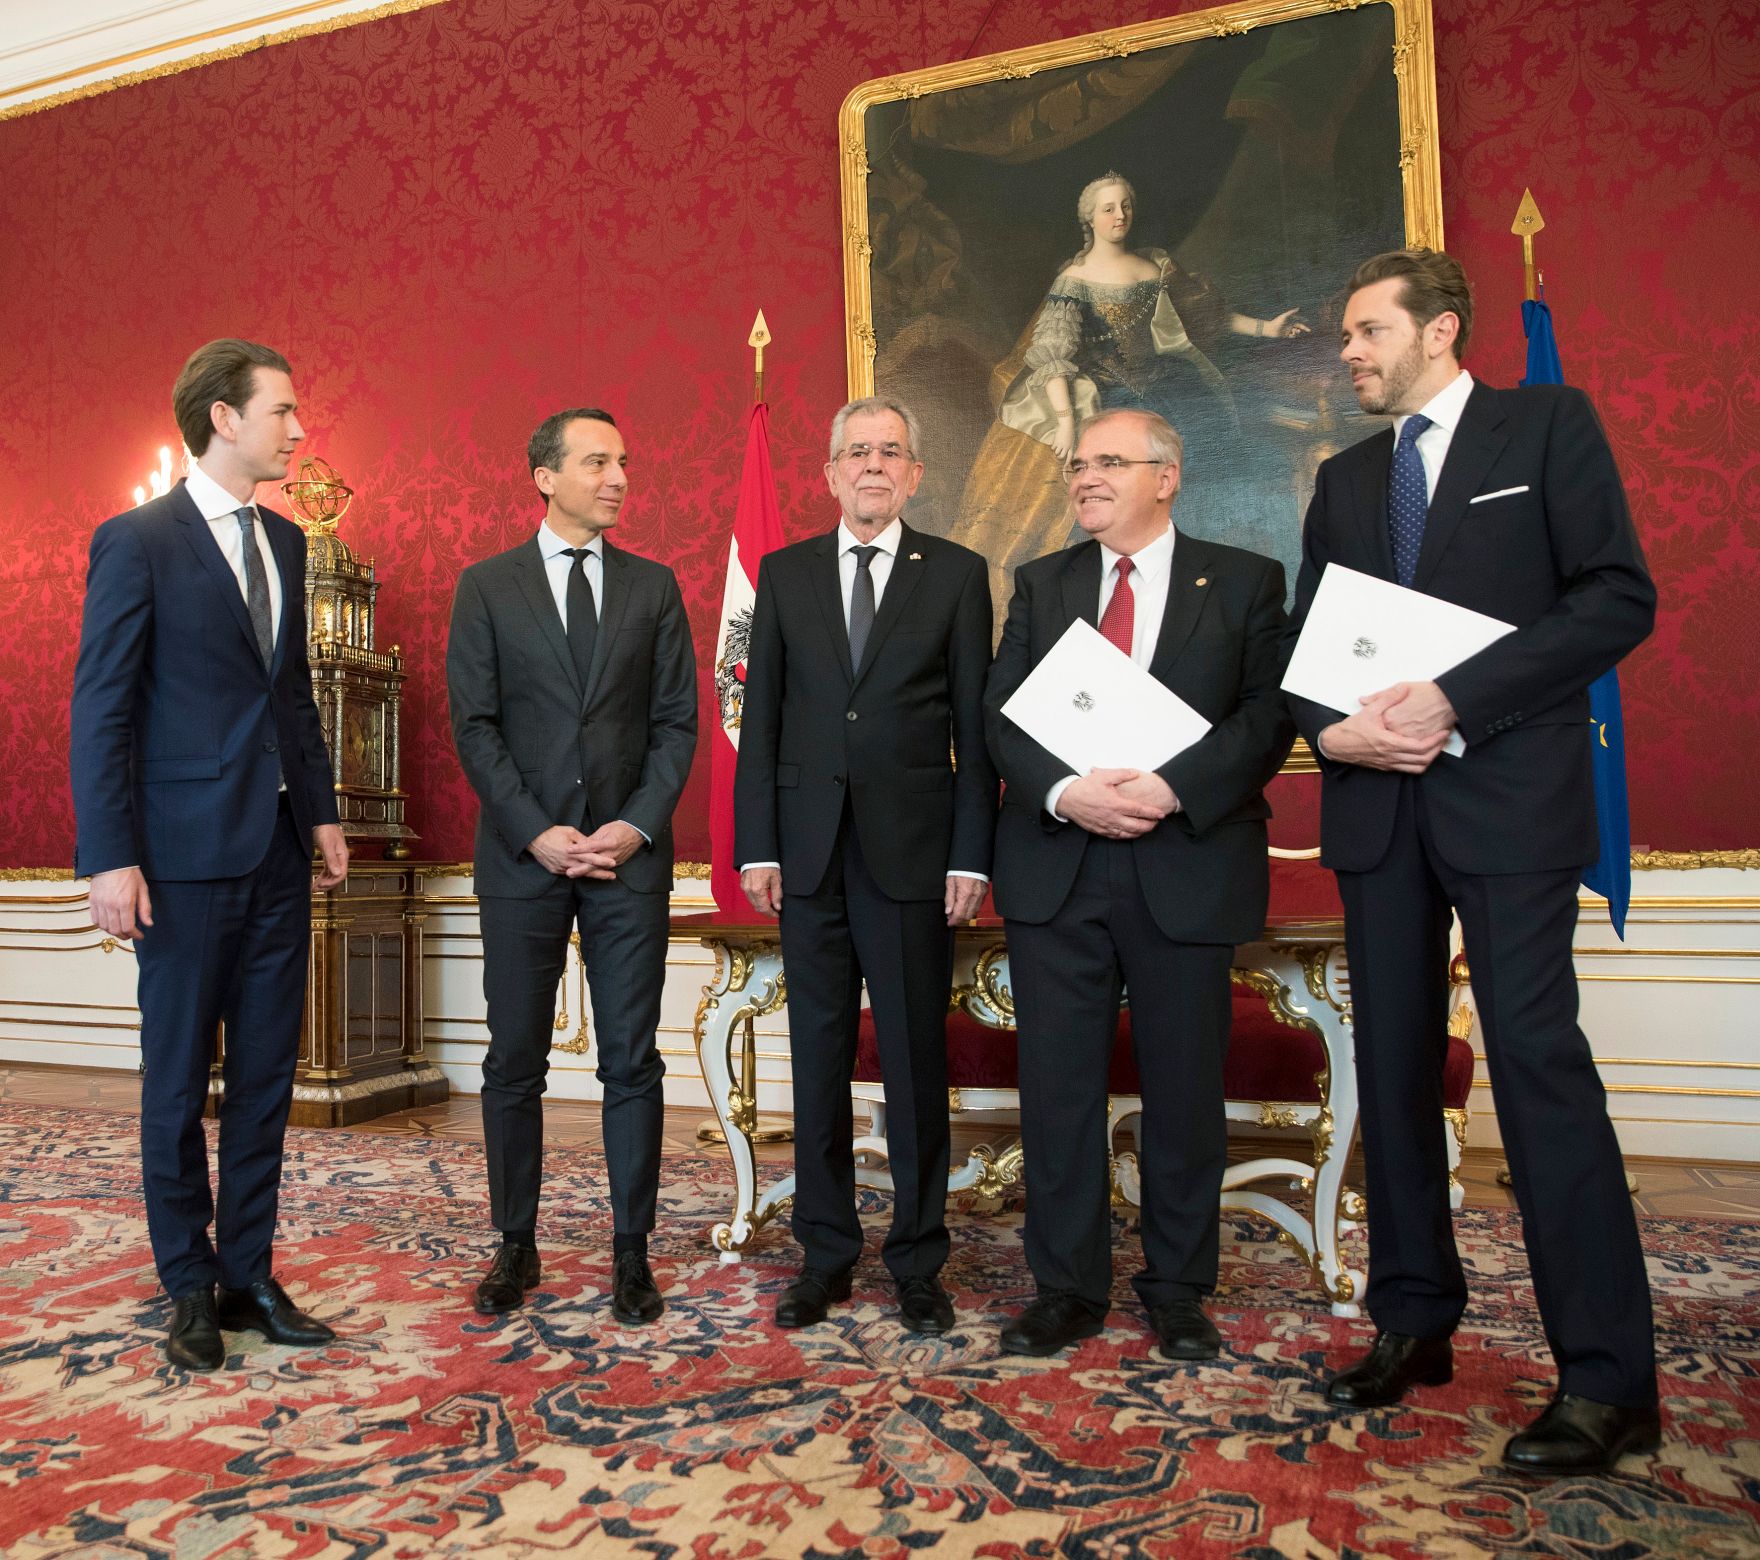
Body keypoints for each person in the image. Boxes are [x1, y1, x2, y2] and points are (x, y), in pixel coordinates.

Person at [1284, 248, 1659, 1474]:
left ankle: (1605, 1380)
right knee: (1389, 1070)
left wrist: (1454, 697)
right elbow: (1305, 650)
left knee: (1537, 1069)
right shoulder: (1344, 478)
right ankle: (1411, 1321)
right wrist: (1328, 732)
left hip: (1507, 801)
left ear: (1437, 330)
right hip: (1376, 815)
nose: (1347, 352)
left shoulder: (1544, 428)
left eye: (1364, 331)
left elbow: (1613, 598)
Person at [984, 407, 1293, 1358]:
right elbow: (1002, 714)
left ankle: (1178, 1288)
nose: (1085, 477)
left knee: (1185, 1090)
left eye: (1108, 462)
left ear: (1167, 476)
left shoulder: (1244, 581)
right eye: (1077, 464)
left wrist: (1170, 788)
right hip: (1059, 864)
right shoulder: (1041, 583)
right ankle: (1066, 1289)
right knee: (1058, 1092)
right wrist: (1066, 792)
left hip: (1186, 862)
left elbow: (1267, 714)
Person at [70, 338, 349, 1370]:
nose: (299, 430)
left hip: (277, 851)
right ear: (223, 419)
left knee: (268, 1078)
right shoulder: (136, 541)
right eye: (283, 411)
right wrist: (109, 857)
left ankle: (248, 1277)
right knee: (179, 1081)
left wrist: (320, 815)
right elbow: (101, 708)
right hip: (178, 859)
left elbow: (291, 694)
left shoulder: (286, 541)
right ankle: (187, 1284)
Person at [734, 396, 997, 1335]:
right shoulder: (785, 573)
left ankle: (919, 1262)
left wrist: (972, 854)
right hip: (807, 857)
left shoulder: (957, 574)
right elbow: (763, 717)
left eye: (891, 451)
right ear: (831, 473)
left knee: (916, 1066)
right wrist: (758, 843)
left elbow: (977, 729)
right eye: (857, 452)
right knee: (817, 1063)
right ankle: (825, 1256)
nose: (873, 465)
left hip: (914, 859)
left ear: (915, 474)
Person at [446, 408, 696, 1327]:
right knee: (514, 1061)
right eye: (598, 462)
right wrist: (535, 831)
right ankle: (515, 1244)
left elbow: (677, 724)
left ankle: (633, 1253)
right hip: (525, 863)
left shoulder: (654, 586)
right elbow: (474, 725)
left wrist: (633, 826)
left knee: (632, 1061)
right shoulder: (486, 587)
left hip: (628, 864)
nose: (619, 477)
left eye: (623, 461)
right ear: (545, 476)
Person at [950, 171, 1308, 616]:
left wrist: (1266, 329)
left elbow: (1204, 318)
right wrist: (1065, 422)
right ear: (1089, 219)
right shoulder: (1075, 279)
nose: (1119, 215)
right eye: (1108, 209)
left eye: (1125, 206)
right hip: (1108, 396)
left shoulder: (1155, 267)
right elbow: (1053, 355)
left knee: (1208, 477)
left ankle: (1202, 594)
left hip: (1169, 390)